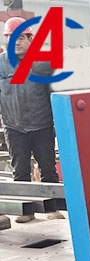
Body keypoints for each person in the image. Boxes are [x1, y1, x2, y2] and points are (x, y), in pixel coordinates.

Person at [0, 16, 63, 223]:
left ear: (30, 39)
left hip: (42, 125)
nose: (15, 42)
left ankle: (52, 208)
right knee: (20, 171)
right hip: (14, 127)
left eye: (20, 38)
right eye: (11, 38)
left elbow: (55, 94)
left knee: (48, 168)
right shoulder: (1, 64)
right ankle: (26, 211)